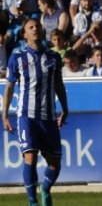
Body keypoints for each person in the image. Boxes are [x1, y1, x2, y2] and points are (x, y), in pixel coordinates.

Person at [2, 18, 69, 206]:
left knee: (55, 163)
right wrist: (5, 115)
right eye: (30, 27)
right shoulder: (17, 58)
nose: (35, 29)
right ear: (24, 34)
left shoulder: (54, 57)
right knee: (30, 156)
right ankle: (33, 201)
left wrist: (65, 108)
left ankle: (45, 188)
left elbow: (58, 85)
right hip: (27, 116)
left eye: (37, 26)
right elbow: (9, 88)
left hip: (48, 116)